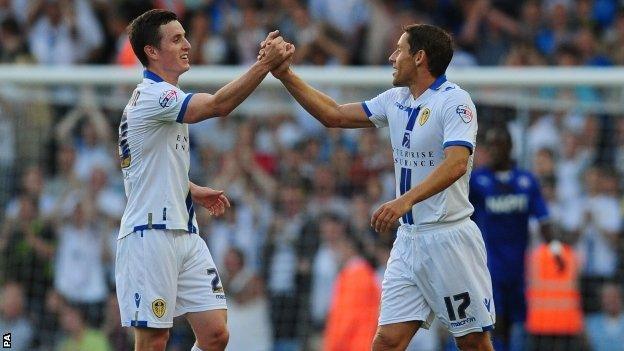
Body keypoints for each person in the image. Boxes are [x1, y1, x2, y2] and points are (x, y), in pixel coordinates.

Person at [266, 23, 495, 350]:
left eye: (398, 50)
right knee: (387, 341)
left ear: (419, 57)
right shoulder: (395, 99)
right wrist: (286, 75)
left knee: (473, 341)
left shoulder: (455, 101)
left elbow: (457, 163)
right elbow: (334, 115)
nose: (391, 57)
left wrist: (404, 202)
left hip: (449, 238)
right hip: (408, 242)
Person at [116, 9, 292, 351]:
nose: (188, 44)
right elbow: (217, 106)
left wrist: (191, 188)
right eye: (176, 39)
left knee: (215, 334)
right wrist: (263, 66)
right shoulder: (155, 97)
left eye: (185, 36)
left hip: (184, 229)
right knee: (153, 342)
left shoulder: (159, 100)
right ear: (152, 52)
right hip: (150, 235)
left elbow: (146, 168)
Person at [469, 126, 554, 351]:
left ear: (510, 147)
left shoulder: (527, 181)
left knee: (518, 322)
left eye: (499, 144)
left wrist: (554, 249)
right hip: (489, 266)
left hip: (520, 267)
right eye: (490, 146)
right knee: (495, 321)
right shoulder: (477, 181)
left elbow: (543, 219)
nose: (493, 150)